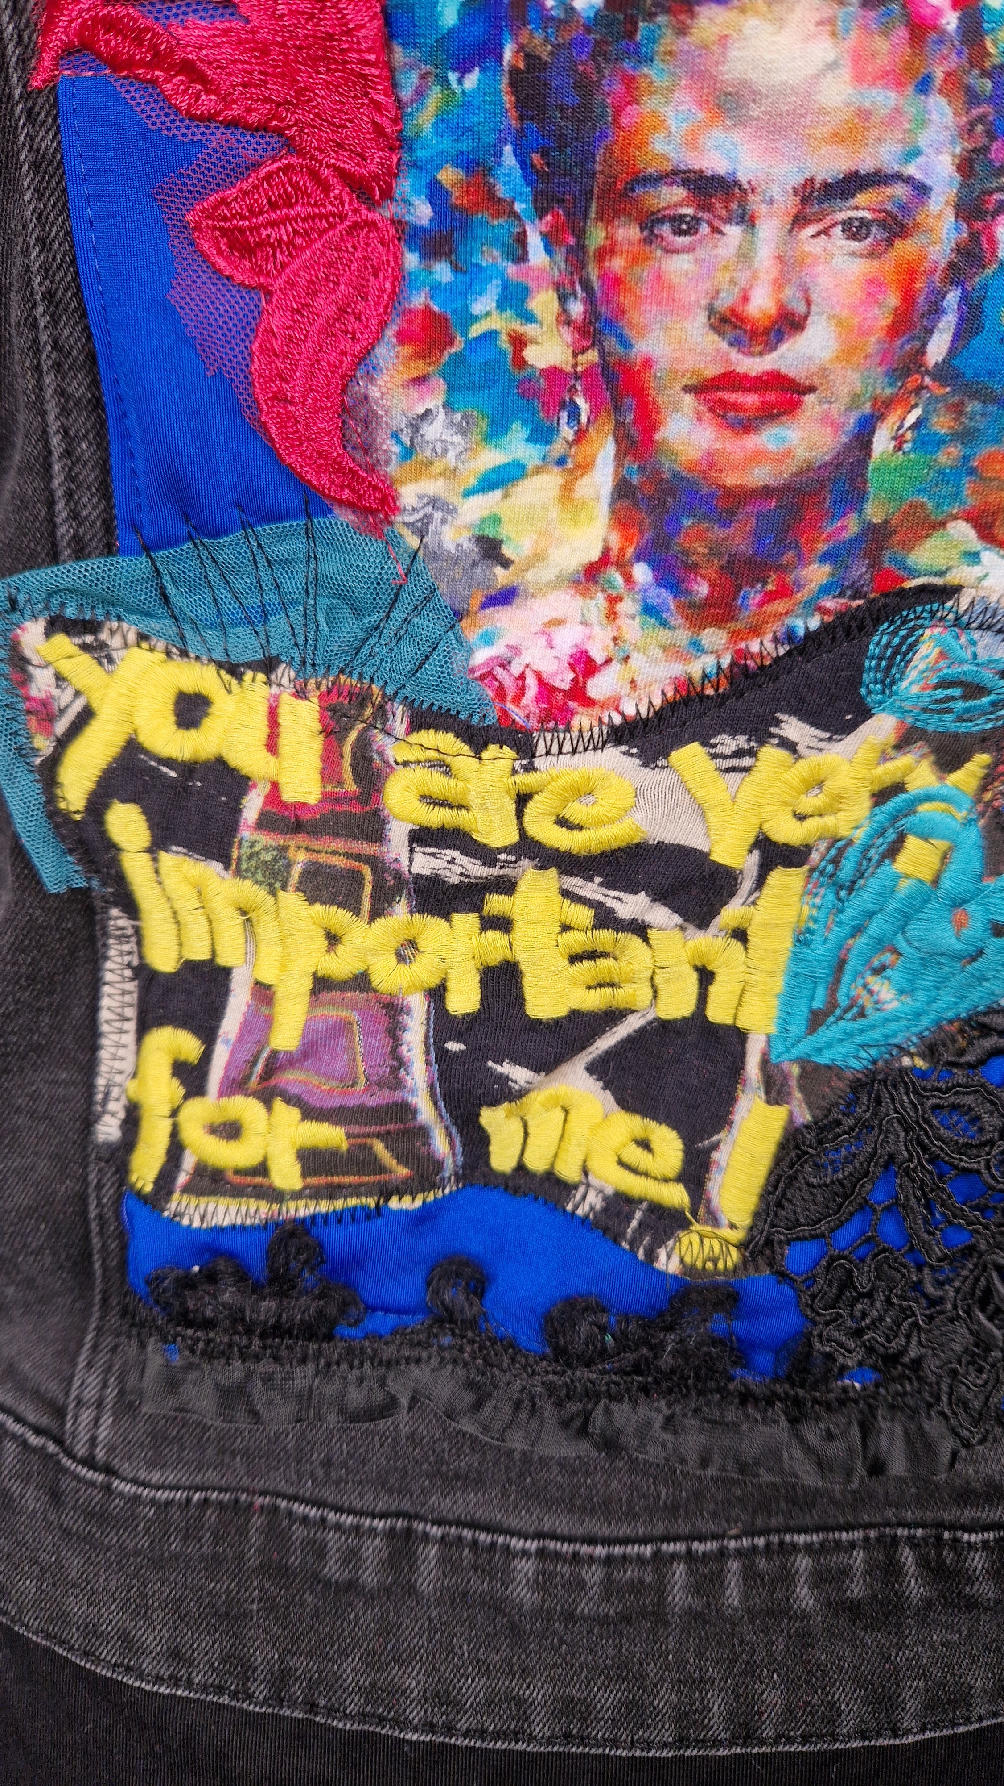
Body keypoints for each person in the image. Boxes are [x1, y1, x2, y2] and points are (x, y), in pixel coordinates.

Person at [465, 0, 1004, 725]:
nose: (759, 305)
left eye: (856, 228)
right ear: (573, 261)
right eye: (682, 223)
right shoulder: (457, 690)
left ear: (954, 273)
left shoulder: (976, 680)